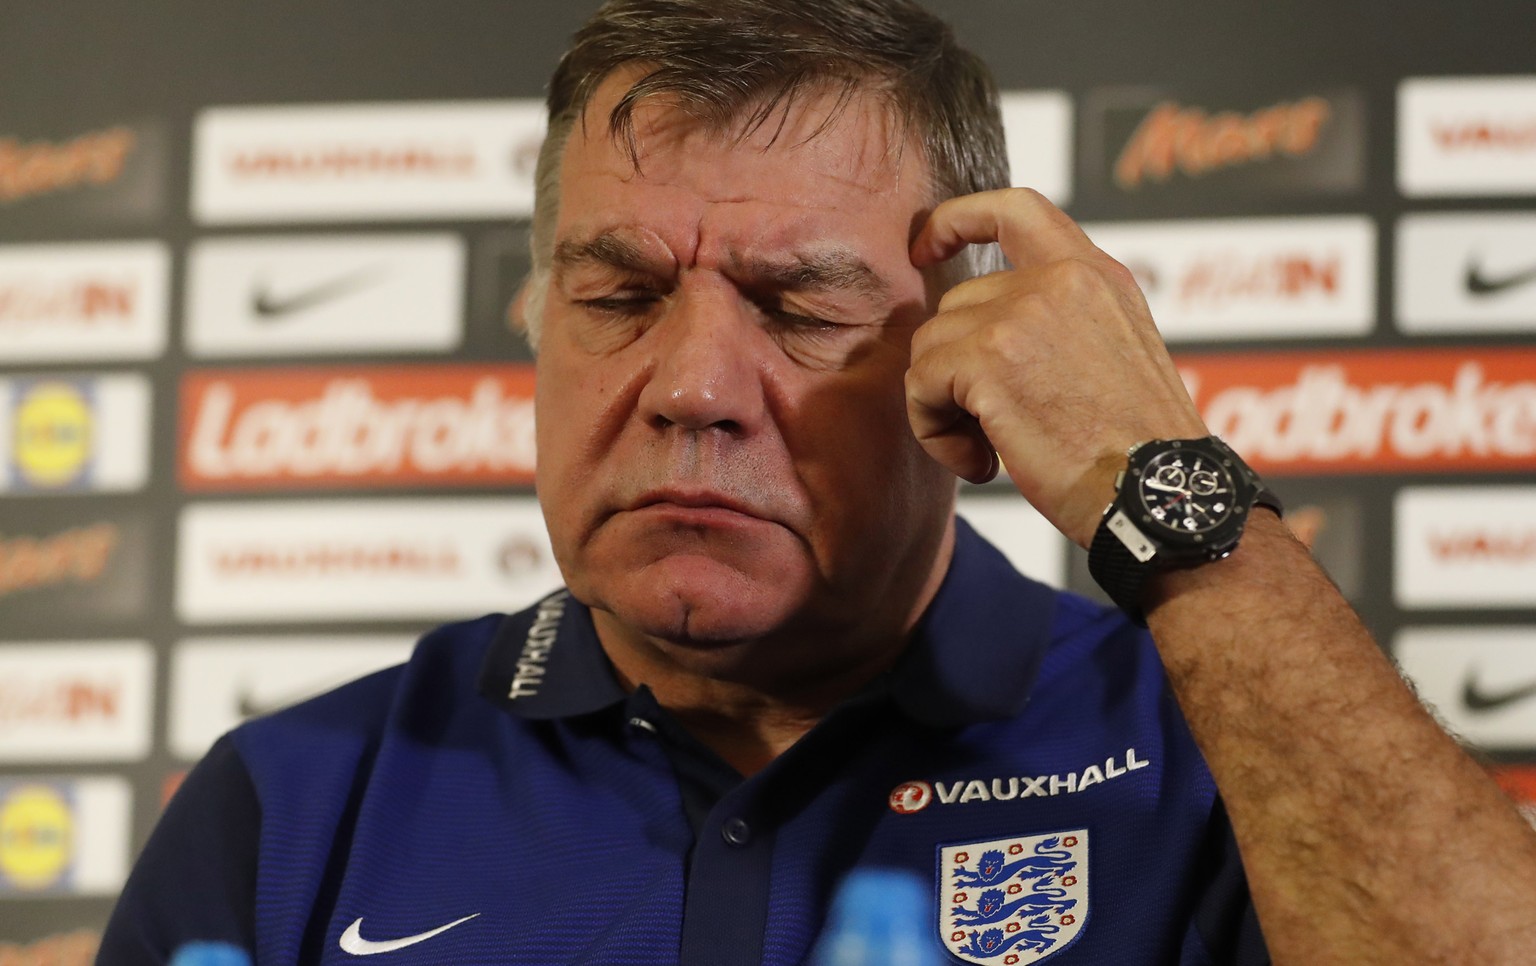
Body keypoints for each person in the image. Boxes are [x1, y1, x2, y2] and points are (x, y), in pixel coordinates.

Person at [101, 0, 1536, 963]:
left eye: (796, 305)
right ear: (537, 315)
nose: (695, 386)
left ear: (968, 350)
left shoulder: (1222, 756)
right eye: (619, 294)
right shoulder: (291, 814)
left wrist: (1166, 491)